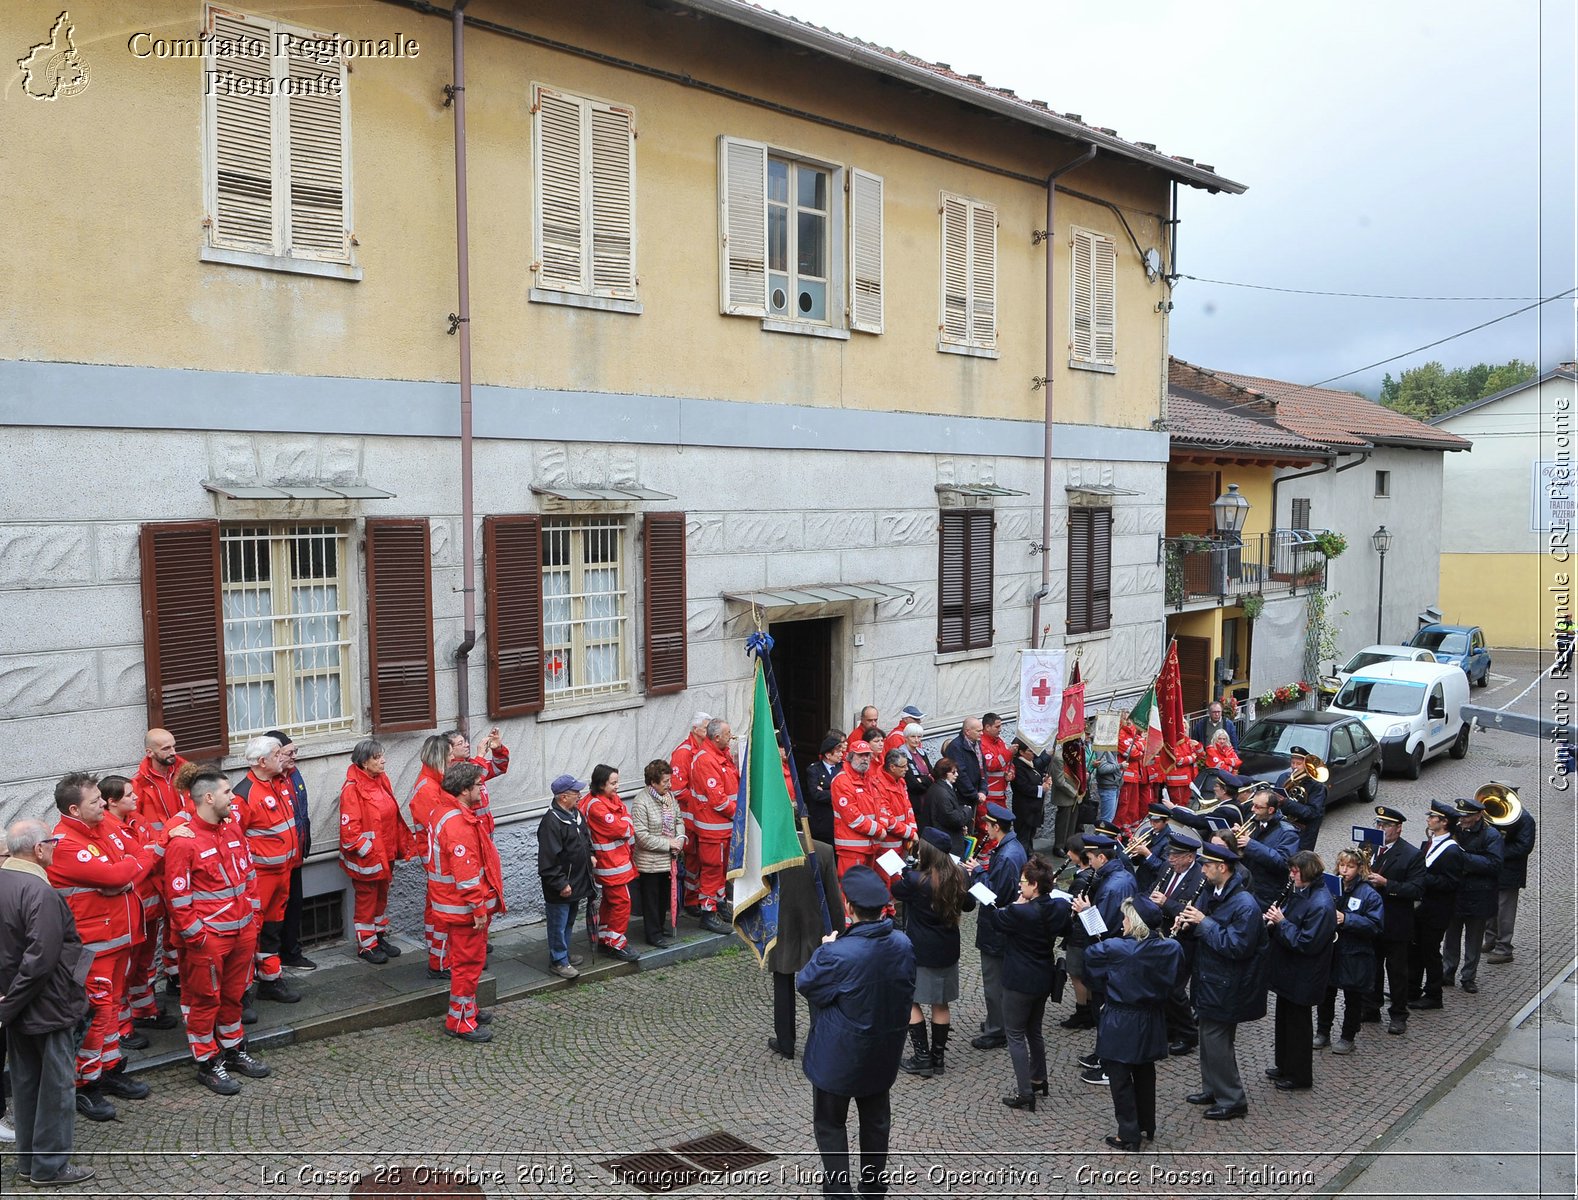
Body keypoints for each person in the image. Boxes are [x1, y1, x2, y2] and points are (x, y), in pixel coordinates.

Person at [47, 773, 167, 1118]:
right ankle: (84, 1085)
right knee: (96, 1016)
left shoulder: (104, 827)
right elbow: (118, 876)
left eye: (102, 798)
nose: (103, 804)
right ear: (74, 808)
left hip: (120, 940)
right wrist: (123, 875)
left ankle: (109, 1069)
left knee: (112, 1009)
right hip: (93, 947)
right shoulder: (65, 843)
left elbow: (138, 859)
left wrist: (124, 874)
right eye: (95, 801)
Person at [796, 866, 915, 1199]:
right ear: (883, 908)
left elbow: (806, 983)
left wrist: (825, 949)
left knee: (831, 1124)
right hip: (882, 1050)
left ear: (849, 908)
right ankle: (873, 1187)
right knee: (876, 1122)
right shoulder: (903, 944)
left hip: (839, 1054)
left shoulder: (836, 953)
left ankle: (839, 1191)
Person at [164, 769, 272, 1095]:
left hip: (242, 933)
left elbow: (248, 875)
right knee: (204, 1001)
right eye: (227, 792)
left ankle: (233, 1049)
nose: (233, 798)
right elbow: (178, 899)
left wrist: (253, 918)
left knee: (233, 995)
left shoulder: (232, 828)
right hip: (209, 940)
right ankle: (208, 1062)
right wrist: (198, 937)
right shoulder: (184, 843)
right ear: (209, 797)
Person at [0, 819, 95, 1186]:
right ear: (39, 849)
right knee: (54, 1088)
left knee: (25, 1086)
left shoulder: (6, 881)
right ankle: (50, 1167)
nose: (56, 847)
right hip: (46, 1006)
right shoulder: (40, 892)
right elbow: (41, 960)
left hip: (18, 1003)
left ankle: (29, 1162)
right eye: (52, 842)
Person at [1172, 841, 1267, 1121]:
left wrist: (1204, 923)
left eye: (1207, 866)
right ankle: (1212, 1088)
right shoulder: (1212, 892)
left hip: (1228, 983)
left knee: (1217, 1040)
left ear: (1222, 868)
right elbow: (1203, 931)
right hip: (1211, 978)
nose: (1202, 870)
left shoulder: (1244, 905)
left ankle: (1232, 1099)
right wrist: (1189, 927)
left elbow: (1237, 946)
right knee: (1208, 1037)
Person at [1085, 897, 1185, 1149]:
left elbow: (1092, 959)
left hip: (1121, 1018)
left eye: (1126, 917)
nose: (1122, 922)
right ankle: (1146, 1124)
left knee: (1119, 1078)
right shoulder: (1171, 947)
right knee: (1144, 1072)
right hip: (1151, 1017)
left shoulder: (1117, 948)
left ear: (1135, 921)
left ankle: (1128, 1133)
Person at [981, 855, 1071, 1111]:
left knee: (1016, 1035)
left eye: (1023, 882)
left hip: (1019, 980)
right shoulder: (1058, 907)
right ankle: (1039, 1078)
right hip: (1043, 977)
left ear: (1033, 884)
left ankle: (1025, 1092)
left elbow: (997, 920)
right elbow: (1066, 928)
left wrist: (1016, 903)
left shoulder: (1020, 911)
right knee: (1035, 1030)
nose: (1020, 886)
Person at [427, 763, 504, 1042]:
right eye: (478, 785)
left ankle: (467, 1008)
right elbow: (467, 873)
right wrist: (479, 908)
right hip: (464, 909)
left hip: (455, 904)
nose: (482, 790)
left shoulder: (445, 811)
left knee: (467, 962)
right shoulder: (457, 822)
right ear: (463, 790)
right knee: (467, 964)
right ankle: (459, 1020)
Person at [891, 830, 973, 1077]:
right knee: (940, 1003)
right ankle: (938, 1059)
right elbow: (969, 905)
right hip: (947, 948)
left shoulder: (917, 880)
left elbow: (897, 890)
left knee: (911, 1001)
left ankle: (922, 1057)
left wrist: (905, 871)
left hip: (921, 950)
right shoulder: (959, 875)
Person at [231, 734, 302, 1006]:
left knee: (273, 929)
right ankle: (241, 994)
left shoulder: (278, 783)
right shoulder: (244, 795)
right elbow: (235, 842)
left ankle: (271, 981)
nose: (282, 757)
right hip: (259, 878)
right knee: (250, 934)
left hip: (282, 872)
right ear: (262, 762)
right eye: (276, 754)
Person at [1069, 832, 1140, 1086]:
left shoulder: (1113, 885)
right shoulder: (1116, 877)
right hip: (1112, 955)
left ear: (1101, 856)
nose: (1088, 862)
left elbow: (1103, 930)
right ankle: (1103, 1054)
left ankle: (1111, 1064)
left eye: (1090, 857)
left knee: (1106, 1011)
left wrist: (1085, 912)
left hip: (1109, 958)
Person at [338, 739, 417, 964]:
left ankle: (378, 936)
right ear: (364, 763)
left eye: (382, 755)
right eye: (377, 757)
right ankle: (367, 945)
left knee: (381, 899)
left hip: (385, 854)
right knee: (366, 901)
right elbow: (350, 832)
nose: (383, 761)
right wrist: (370, 852)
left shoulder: (380, 779)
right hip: (368, 859)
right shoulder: (352, 789)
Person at [1264, 850, 1337, 1092]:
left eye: (1295, 871)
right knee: (1284, 1021)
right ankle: (1284, 1065)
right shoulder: (1300, 892)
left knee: (1298, 1027)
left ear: (1307, 872)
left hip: (1304, 974)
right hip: (1290, 971)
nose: (1291, 874)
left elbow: (1306, 943)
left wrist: (1281, 922)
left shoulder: (1321, 904)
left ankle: (1299, 1075)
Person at [767, 833, 844, 1060]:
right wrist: (839, 931)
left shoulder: (772, 850)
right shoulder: (823, 850)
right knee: (817, 986)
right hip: (816, 928)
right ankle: (819, 1041)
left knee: (782, 983)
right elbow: (833, 896)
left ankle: (785, 1042)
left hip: (782, 927)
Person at [131, 727, 188, 1008]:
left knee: (179, 921)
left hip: (185, 859)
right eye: (166, 748)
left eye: (174, 746)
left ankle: (177, 975)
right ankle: (152, 994)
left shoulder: (186, 772)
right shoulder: (138, 785)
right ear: (150, 752)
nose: (173, 752)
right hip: (156, 866)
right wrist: (165, 841)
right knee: (159, 926)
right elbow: (138, 830)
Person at [966, 803, 1026, 1050]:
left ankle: (997, 1030)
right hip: (1003, 926)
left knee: (994, 982)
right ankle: (997, 1020)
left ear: (996, 827)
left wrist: (977, 872)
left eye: (987, 826)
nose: (985, 830)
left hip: (997, 927)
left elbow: (994, 895)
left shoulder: (1007, 855)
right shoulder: (1011, 848)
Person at [1364, 805, 1425, 1034]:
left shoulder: (1411, 854)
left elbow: (1417, 889)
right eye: (1378, 824)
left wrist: (1386, 883)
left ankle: (1399, 1014)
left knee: (1397, 971)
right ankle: (1371, 1008)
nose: (1380, 828)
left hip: (1396, 922)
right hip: (1371, 920)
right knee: (1372, 967)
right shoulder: (1367, 847)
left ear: (1398, 829)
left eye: (1386, 825)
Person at [1316, 848, 1383, 1055]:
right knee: (1326, 994)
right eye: (1342, 865)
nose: (1344, 870)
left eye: (1350, 867)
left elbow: (1375, 925)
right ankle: (1323, 1032)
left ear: (1360, 868)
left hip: (1355, 953)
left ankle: (1348, 1036)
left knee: (1353, 997)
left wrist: (1347, 919)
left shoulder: (1368, 893)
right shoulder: (1329, 886)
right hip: (1332, 950)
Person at [1147, 828, 1206, 1054]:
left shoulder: (1199, 878)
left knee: (1175, 990)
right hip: (1162, 933)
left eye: (1176, 855)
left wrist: (1166, 903)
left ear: (1190, 857)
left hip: (1184, 940)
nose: (1170, 858)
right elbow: (1153, 891)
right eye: (1170, 854)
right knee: (1162, 986)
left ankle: (1188, 1034)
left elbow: (1196, 912)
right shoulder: (1168, 869)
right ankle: (1169, 1028)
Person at [264, 731, 317, 973]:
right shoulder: (269, 782)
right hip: (275, 862)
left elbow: (300, 814)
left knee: (295, 905)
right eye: (289, 753)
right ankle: (270, 962)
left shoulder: (294, 775)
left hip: (295, 856)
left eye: (295, 751)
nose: (294, 757)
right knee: (274, 912)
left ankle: (291, 952)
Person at [1441, 796, 1504, 994]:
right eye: (1461, 816)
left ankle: (1468, 977)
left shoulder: (1491, 835)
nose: (1462, 820)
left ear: (1478, 816)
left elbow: (1494, 864)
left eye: (1467, 817)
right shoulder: (1456, 830)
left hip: (1479, 894)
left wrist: (1463, 858)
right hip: (1456, 893)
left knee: (1474, 939)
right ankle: (1447, 972)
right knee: (1451, 936)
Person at [1408, 801, 1466, 1012]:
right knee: (1415, 951)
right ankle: (1411, 988)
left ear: (1444, 823)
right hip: (1423, 908)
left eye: (1433, 817)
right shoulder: (1430, 842)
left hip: (1437, 911)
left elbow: (1451, 883)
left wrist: (1424, 879)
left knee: (1430, 953)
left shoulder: (1452, 851)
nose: (1428, 819)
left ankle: (1434, 994)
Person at [408, 734, 457, 979]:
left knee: (436, 910)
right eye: (449, 756)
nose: (452, 760)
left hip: (437, 858)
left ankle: (439, 955)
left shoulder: (432, 783)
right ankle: (439, 961)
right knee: (441, 913)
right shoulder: (428, 789)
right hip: (438, 860)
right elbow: (440, 829)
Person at [536, 774, 594, 980]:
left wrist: (591, 856)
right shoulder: (551, 822)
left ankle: (563, 954)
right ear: (563, 797)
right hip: (563, 886)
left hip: (576, 881)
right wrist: (561, 883)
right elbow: (548, 860)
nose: (580, 795)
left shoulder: (575, 815)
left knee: (568, 921)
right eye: (575, 792)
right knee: (558, 924)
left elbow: (586, 840)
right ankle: (558, 961)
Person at [581, 764, 640, 962]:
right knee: (622, 901)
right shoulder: (596, 806)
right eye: (613, 783)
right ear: (601, 784)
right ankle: (616, 943)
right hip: (610, 864)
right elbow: (622, 828)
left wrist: (625, 823)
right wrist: (625, 823)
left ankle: (605, 937)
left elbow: (627, 821)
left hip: (617, 862)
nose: (617, 787)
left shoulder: (609, 799)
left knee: (611, 902)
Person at [690, 719, 739, 933]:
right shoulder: (705, 760)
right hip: (713, 828)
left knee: (722, 870)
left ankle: (719, 903)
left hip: (725, 826)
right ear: (716, 737)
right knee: (711, 870)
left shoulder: (722, 754)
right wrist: (739, 813)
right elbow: (718, 800)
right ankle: (707, 912)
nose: (731, 735)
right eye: (728, 733)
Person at [630, 760, 686, 949]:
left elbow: (678, 819)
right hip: (650, 862)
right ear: (653, 783)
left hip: (668, 858)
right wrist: (668, 843)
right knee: (652, 899)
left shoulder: (669, 797)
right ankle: (652, 934)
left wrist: (680, 839)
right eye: (665, 782)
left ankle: (660, 928)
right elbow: (642, 836)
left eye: (670, 781)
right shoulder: (641, 802)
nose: (669, 785)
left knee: (663, 897)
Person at [1233, 786, 1302, 910]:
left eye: (1258, 807)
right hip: (1246, 885)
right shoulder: (1254, 822)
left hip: (1267, 893)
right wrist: (1232, 841)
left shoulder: (1288, 833)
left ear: (1270, 809)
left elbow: (1283, 863)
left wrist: (1250, 844)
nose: (1253, 809)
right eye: (1253, 805)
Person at [670, 712, 712, 914]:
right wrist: (702, 802)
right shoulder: (683, 753)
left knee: (704, 860)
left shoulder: (704, 750)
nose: (709, 731)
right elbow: (678, 790)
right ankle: (690, 899)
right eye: (706, 728)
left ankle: (699, 896)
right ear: (696, 730)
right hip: (689, 815)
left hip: (701, 815)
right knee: (693, 858)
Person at [1486, 798, 1537, 964]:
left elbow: (1524, 847)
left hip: (1510, 872)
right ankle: (1490, 939)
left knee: (1504, 912)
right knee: (1490, 908)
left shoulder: (1525, 819)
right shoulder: (1490, 814)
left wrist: (1497, 851)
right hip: (1492, 869)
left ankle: (1504, 948)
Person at [832, 740, 883, 880]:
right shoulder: (842, 781)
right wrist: (879, 830)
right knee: (851, 889)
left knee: (865, 889)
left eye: (867, 755)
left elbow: (879, 807)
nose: (865, 758)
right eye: (861, 755)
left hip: (870, 845)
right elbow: (853, 818)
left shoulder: (868, 779)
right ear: (850, 756)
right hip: (851, 848)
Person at [445, 726, 510, 836]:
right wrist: (480, 756)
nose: (467, 745)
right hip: (472, 834)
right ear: (449, 750)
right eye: (460, 743)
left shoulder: (472, 764)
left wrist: (497, 749)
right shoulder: (451, 771)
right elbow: (471, 777)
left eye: (465, 741)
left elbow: (499, 767)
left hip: (485, 832)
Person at [870, 750, 916, 882]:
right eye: (903, 766)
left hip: (902, 842)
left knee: (898, 880)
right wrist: (910, 833)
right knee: (888, 881)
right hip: (887, 846)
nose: (907, 769)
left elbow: (908, 808)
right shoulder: (877, 785)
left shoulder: (900, 781)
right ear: (892, 767)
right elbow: (887, 818)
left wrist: (912, 830)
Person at [1277, 747, 1329, 853]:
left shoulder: (1317, 786)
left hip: (1303, 832)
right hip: (1282, 827)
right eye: (1293, 763)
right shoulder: (1284, 777)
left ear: (1307, 766)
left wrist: (1286, 802)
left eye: (1298, 764)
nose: (1294, 767)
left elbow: (1313, 812)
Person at [922, 759, 970, 857]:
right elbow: (954, 819)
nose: (957, 774)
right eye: (953, 772)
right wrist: (967, 810)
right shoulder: (942, 793)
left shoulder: (939, 788)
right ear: (944, 773)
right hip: (948, 845)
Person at [802, 734, 843, 846]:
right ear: (828, 754)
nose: (841, 755)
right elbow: (816, 794)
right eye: (838, 752)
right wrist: (839, 794)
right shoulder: (814, 770)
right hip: (822, 822)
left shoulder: (843, 768)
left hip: (840, 821)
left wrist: (826, 791)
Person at [941, 718, 985, 822]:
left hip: (976, 794)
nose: (982, 733)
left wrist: (983, 790)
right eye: (978, 731)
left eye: (981, 730)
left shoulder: (977, 744)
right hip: (962, 797)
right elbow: (961, 774)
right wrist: (974, 795)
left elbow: (983, 768)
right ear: (967, 731)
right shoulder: (956, 747)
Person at [1008, 739, 1045, 849]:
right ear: (1021, 752)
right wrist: (1041, 789)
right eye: (1030, 751)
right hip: (1024, 809)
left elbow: (1035, 778)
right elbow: (1024, 787)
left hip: (1033, 809)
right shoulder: (1018, 766)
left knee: (1030, 836)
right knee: (1023, 838)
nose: (1033, 753)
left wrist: (1044, 781)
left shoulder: (1030, 764)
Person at [898, 723, 934, 815]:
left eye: (919, 737)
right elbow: (912, 783)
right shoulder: (902, 754)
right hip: (914, 800)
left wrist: (922, 779)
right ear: (906, 737)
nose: (916, 740)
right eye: (913, 736)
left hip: (927, 798)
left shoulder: (922, 753)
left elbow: (933, 775)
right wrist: (927, 779)